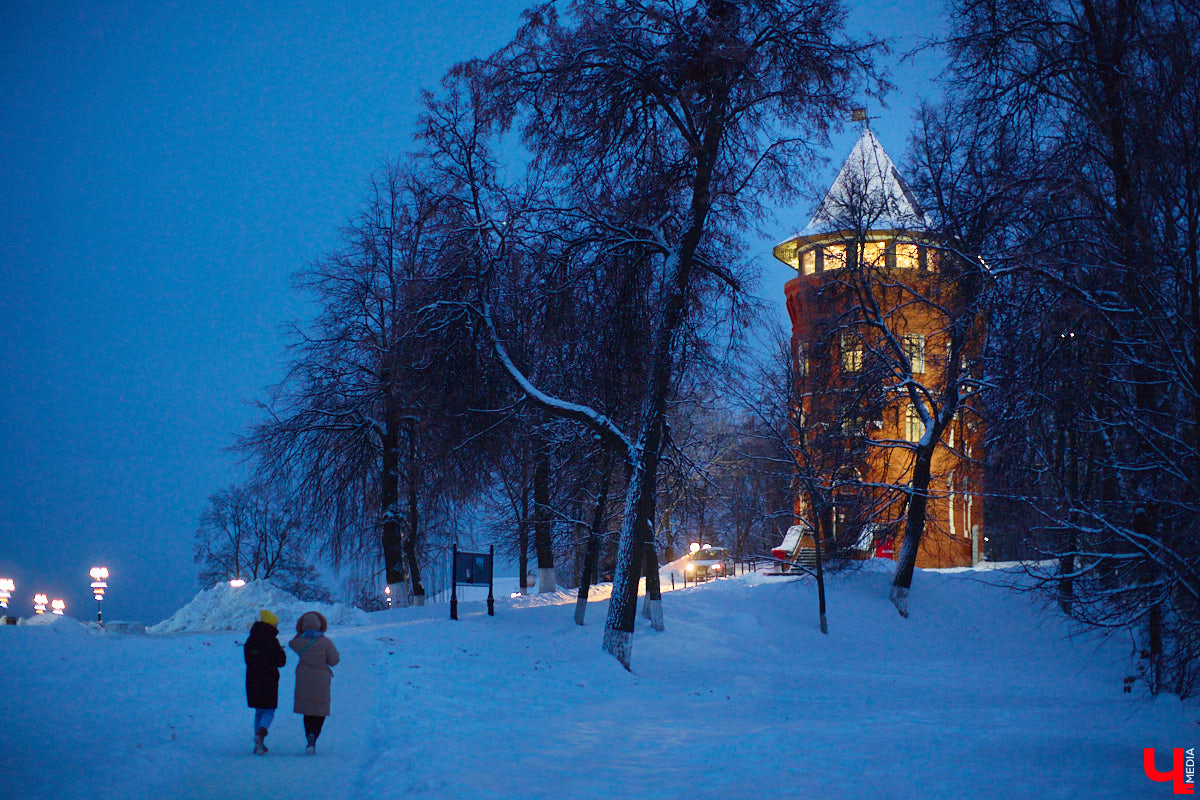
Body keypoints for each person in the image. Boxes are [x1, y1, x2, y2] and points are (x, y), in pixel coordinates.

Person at [289, 610, 340, 754]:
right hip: (321, 680)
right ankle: (314, 735)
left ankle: (308, 736)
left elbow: (292, 643)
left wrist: (301, 632)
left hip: (303, 679)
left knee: (307, 711)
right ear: (320, 625)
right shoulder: (325, 642)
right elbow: (334, 661)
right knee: (319, 710)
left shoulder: (299, 642)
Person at [244, 609, 286, 755]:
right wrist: (280, 651)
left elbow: (248, 659)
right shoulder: (272, 641)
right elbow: (281, 661)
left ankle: (258, 744)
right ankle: (260, 735)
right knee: (269, 711)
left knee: (259, 711)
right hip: (269, 680)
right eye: (275, 625)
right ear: (271, 625)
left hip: (253, 680)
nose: (277, 628)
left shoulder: (251, 640)